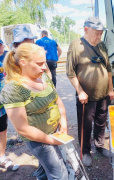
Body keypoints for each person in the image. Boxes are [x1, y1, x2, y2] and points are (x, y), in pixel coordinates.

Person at [0, 43, 68, 179]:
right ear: (23, 62)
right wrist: (52, 141)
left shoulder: (43, 76)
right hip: (39, 140)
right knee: (60, 174)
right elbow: (23, 129)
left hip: (55, 133)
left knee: (45, 167)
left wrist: (63, 121)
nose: (44, 66)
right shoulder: (13, 89)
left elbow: (57, 99)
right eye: (39, 63)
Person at [66, 17, 114, 167]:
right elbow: (70, 72)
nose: (99, 37)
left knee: (101, 122)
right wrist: (80, 91)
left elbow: (108, 68)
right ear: (86, 30)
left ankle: (99, 146)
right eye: (96, 33)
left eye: (101, 33)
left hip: (103, 94)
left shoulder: (101, 45)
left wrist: (110, 89)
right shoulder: (76, 45)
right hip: (85, 97)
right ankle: (85, 151)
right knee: (86, 124)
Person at [0, 39, 19, 171]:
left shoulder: (5, 56)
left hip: (1, 105)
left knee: (3, 130)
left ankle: (1, 157)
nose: (2, 46)